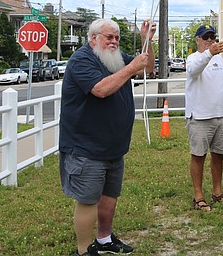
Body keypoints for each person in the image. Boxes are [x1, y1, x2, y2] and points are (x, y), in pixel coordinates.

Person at [59, 18, 156, 256]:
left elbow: (148, 68)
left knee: (109, 196)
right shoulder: (82, 59)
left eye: (117, 38)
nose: (114, 42)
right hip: (86, 145)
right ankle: (83, 250)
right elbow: (100, 89)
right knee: (88, 199)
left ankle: (104, 239)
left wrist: (146, 41)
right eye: (108, 37)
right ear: (93, 38)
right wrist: (132, 67)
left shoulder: (114, 58)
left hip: (113, 145)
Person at [185, 25, 223, 211]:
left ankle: (217, 192)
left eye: (213, 37)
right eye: (206, 37)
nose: (210, 40)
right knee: (198, 156)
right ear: (197, 39)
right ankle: (198, 196)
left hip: (221, 116)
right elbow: (193, 71)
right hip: (200, 117)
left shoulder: (219, 59)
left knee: (219, 156)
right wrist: (209, 54)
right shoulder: (193, 58)